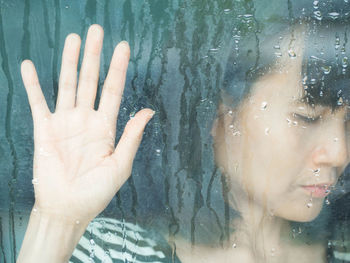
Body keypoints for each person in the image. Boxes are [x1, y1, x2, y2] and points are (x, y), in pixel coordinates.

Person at [17, 6, 350, 263]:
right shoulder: (110, 252)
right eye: (307, 118)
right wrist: (56, 223)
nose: (339, 153)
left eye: (348, 122)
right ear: (218, 113)